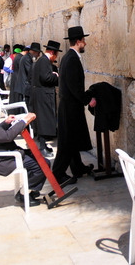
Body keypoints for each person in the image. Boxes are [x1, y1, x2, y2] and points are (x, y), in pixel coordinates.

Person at [0, 95, 48, 206]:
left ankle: (30, 189)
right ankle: (24, 193)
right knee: (41, 164)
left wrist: (5, 123)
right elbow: (6, 137)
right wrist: (24, 121)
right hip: (0, 160)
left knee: (39, 159)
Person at [52, 26, 96, 184]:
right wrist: (87, 100)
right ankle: (57, 174)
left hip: (69, 106)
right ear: (78, 41)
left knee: (72, 139)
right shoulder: (71, 59)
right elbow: (73, 85)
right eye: (83, 40)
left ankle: (77, 167)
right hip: (70, 107)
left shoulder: (68, 57)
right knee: (67, 143)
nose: (85, 43)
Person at [30, 40, 60, 157]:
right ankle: (42, 147)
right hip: (43, 95)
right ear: (52, 52)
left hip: (42, 94)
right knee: (43, 120)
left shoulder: (42, 61)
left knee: (44, 120)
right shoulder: (44, 61)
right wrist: (55, 75)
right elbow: (45, 78)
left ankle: (44, 145)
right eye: (56, 54)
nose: (55, 57)